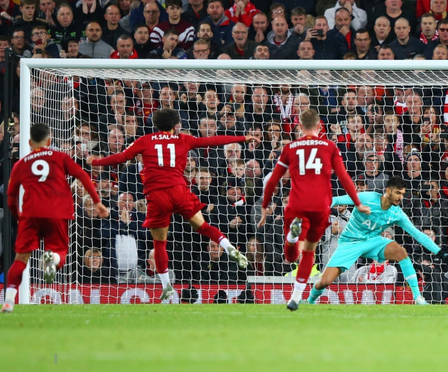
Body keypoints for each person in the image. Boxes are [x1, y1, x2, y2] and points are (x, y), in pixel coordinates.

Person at [88, 109, 258, 301]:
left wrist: (95, 160)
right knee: (204, 226)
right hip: (179, 191)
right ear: (176, 125)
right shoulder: (182, 139)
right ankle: (229, 248)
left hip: (157, 196)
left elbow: (120, 158)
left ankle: (166, 285)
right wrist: (244, 137)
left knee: (159, 243)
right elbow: (212, 141)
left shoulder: (144, 140)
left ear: (155, 124)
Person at [257, 108, 369, 311]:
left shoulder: (291, 147)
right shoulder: (329, 146)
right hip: (320, 206)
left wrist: (265, 207)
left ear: (299, 127)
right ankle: (296, 297)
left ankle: (292, 238)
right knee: (309, 252)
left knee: (291, 255)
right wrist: (358, 203)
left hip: (297, 204)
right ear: (319, 126)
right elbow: (344, 177)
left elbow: (273, 179)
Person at [2, 123, 110, 313]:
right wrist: (97, 201)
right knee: (58, 251)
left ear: (29, 143)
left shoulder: (21, 164)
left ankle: (9, 301)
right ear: (50, 141)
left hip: (30, 214)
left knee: (21, 258)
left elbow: (11, 196)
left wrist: (17, 216)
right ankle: (51, 258)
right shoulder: (60, 157)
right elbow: (83, 175)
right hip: (57, 212)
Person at [306, 176, 448, 306]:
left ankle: (418, 298)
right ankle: (310, 300)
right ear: (388, 191)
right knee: (324, 281)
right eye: (398, 193)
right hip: (350, 242)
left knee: (400, 252)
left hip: (373, 241)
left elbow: (418, 234)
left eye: (402, 194)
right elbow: (335, 200)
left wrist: (442, 254)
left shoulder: (397, 213)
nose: (400, 197)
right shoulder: (366, 198)